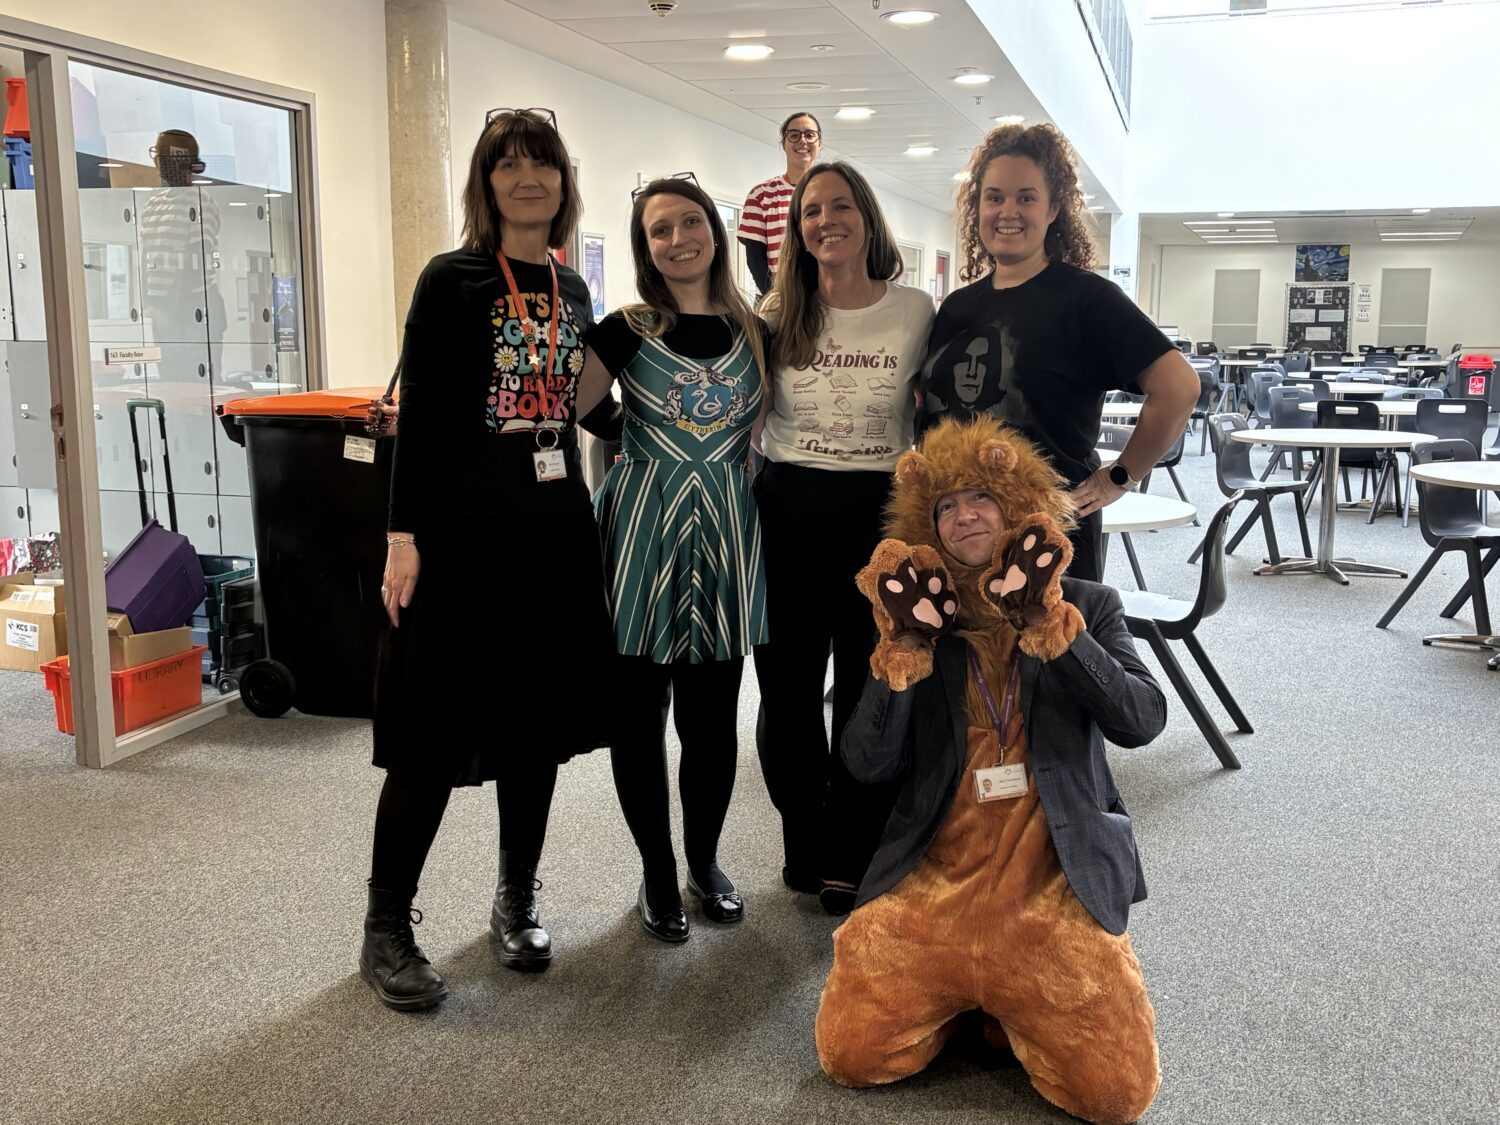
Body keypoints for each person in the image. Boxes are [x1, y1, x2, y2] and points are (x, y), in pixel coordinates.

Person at [815, 415, 1167, 1125]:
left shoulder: (1088, 604)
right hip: (935, 881)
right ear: (927, 527)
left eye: (981, 497)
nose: (964, 514)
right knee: (851, 1052)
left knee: (1114, 1093)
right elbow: (865, 764)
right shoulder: (918, 615)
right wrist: (902, 656)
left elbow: (1142, 720)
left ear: (1018, 505)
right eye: (946, 506)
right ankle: (983, 1003)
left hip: (1052, 889)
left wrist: (1051, 628)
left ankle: (1000, 1002)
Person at [361, 109, 618, 1011]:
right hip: (461, 539)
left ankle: (515, 898)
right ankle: (385, 926)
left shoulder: (572, 289)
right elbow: (423, 417)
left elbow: (581, 407)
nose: (526, 177)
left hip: (553, 535)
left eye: (541, 162)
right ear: (487, 184)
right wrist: (401, 537)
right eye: (507, 164)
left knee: (534, 729)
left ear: (563, 182)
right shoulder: (453, 279)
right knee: (429, 733)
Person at [574, 175, 769, 942]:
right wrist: (635, 437)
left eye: (691, 222)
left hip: (725, 528)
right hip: (641, 530)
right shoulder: (626, 327)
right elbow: (576, 406)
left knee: (712, 720)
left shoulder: (756, 330)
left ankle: (704, 860)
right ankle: (657, 870)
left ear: (714, 231)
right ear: (644, 246)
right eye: (661, 229)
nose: (680, 238)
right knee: (637, 717)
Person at [753, 161, 935, 915]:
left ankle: (853, 849)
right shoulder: (776, 313)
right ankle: (804, 836)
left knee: (869, 688)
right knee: (789, 692)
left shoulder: (916, 309)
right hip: (789, 508)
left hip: (879, 512)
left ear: (867, 218)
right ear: (798, 231)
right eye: (811, 211)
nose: (825, 221)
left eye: (841, 207)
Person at [917, 123, 1198, 583]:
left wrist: (1119, 477)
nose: (1008, 211)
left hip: (1045, 538)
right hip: (958, 537)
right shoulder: (957, 307)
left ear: (1053, 210)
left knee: (1048, 632)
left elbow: (1179, 387)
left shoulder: (1086, 299)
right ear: (978, 207)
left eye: (1026, 197)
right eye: (994, 197)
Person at [737, 112, 822, 298]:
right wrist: (776, 300)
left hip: (824, 296)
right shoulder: (761, 194)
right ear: (783, 143)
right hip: (776, 295)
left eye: (809, 135)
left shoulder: (832, 192)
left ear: (819, 143)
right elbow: (755, 258)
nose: (802, 141)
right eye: (794, 135)